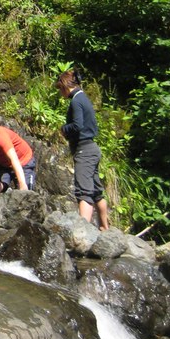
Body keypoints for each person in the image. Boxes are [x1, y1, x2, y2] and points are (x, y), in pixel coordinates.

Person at [56, 69, 109, 230]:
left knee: (84, 192)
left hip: (84, 151)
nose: (60, 93)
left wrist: (64, 129)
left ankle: (83, 232)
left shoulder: (76, 101)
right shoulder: (83, 98)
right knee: (97, 191)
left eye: (60, 89)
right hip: (92, 149)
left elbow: (77, 125)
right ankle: (104, 228)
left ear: (65, 86)